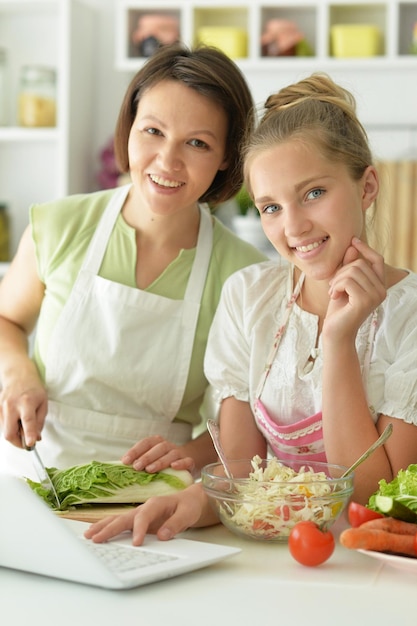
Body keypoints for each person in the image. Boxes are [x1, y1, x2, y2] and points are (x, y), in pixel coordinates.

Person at [85, 72, 417, 546]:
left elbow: (372, 498)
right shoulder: (250, 297)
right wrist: (188, 502)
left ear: (366, 187)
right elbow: (243, 477)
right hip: (266, 552)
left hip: (365, 561)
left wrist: (339, 341)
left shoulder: (409, 318)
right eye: (270, 208)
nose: (294, 227)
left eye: (314, 194)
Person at [0, 43, 266, 479]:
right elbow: (6, 319)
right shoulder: (60, 225)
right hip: (31, 477)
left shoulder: (243, 274)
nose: (167, 161)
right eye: (153, 131)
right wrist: (18, 375)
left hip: (153, 501)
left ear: (225, 159)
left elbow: (245, 427)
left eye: (197, 143)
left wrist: (190, 456)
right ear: (128, 127)